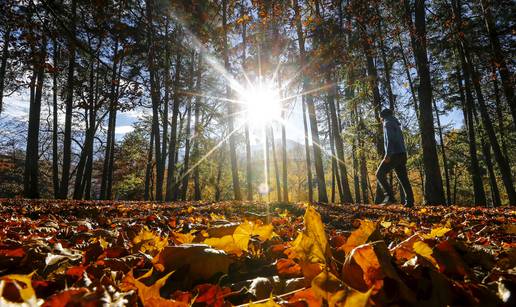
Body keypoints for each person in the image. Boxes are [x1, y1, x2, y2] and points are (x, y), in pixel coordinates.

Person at [376, 108, 414, 207]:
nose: (381, 120)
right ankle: (410, 202)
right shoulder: (396, 123)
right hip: (402, 154)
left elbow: (390, 139)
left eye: (380, 118)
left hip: (394, 154)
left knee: (379, 174)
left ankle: (390, 198)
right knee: (403, 178)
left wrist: (388, 155)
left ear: (382, 117)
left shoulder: (387, 123)